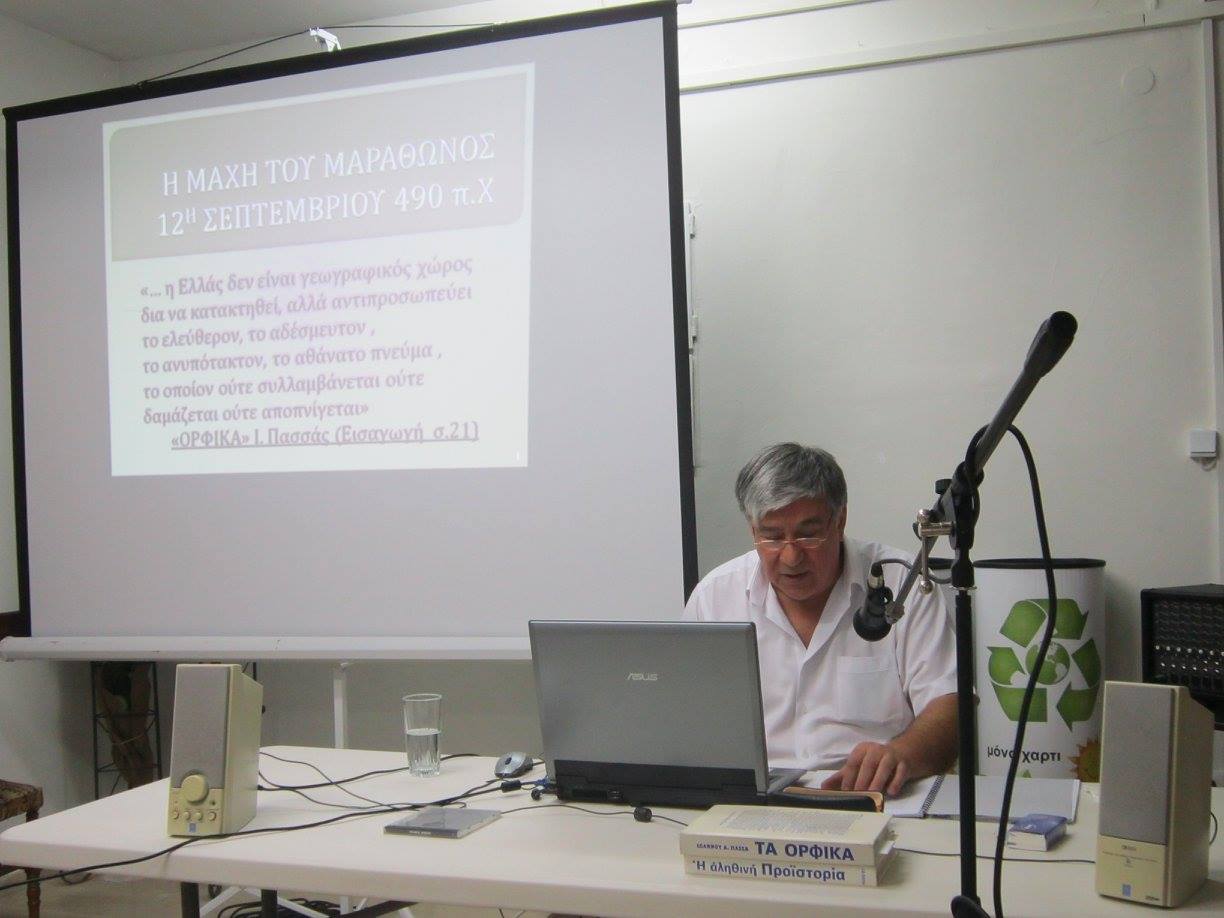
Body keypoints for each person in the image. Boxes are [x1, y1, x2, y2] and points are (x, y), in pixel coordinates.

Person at [683, 443, 958, 795]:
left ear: (840, 521)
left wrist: (901, 754)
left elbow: (949, 705)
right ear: (752, 530)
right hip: (754, 796)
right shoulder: (715, 598)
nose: (791, 556)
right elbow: (686, 716)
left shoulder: (903, 586)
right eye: (772, 537)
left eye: (808, 534)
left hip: (872, 794)